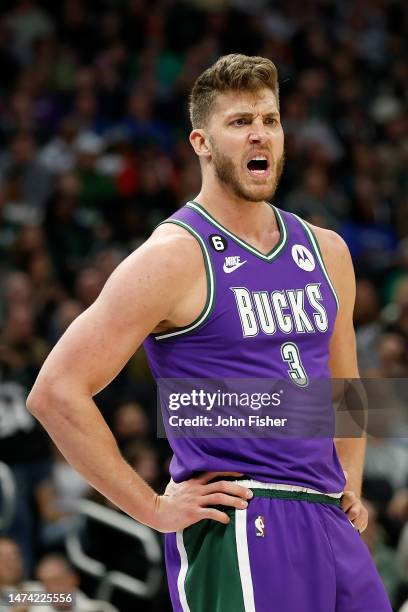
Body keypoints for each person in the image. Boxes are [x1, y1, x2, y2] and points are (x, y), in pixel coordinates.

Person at [27, 54, 392, 611]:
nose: (259, 135)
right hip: (241, 522)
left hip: (326, 519)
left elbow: (343, 388)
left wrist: (352, 483)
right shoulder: (173, 256)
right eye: (240, 122)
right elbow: (54, 392)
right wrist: (151, 508)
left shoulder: (328, 250)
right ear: (201, 143)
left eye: (269, 120)